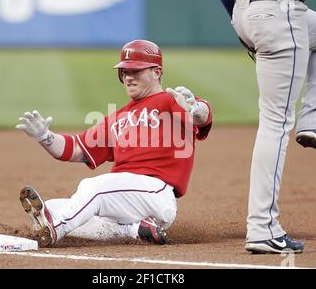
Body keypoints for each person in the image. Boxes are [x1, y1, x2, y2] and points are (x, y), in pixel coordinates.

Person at [15, 40, 213, 247]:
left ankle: (56, 228)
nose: (128, 77)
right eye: (124, 72)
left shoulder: (172, 101)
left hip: (155, 192)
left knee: (93, 188)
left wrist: (196, 109)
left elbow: (202, 117)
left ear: (157, 72)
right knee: (55, 207)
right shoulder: (118, 117)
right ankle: (136, 230)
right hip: (124, 199)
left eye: (135, 71)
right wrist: (44, 136)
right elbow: (76, 148)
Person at [219, 0, 316, 254]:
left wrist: (240, 17)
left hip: (246, 11)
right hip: (281, 11)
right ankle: (263, 228)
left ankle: (314, 119)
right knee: (275, 122)